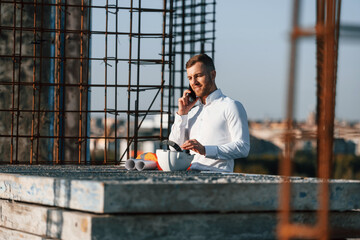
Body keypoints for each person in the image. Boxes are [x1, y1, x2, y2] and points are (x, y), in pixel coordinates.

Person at [169, 54, 250, 172]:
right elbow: (174, 148)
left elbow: (243, 147)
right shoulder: (192, 112)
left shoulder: (231, 106)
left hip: (218, 181)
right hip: (190, 180)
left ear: (213, 75)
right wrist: (182, 115)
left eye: (198, 76)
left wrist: (205, 150)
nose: (194, 82)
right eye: (190, 78)